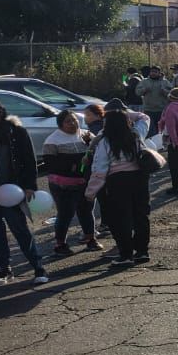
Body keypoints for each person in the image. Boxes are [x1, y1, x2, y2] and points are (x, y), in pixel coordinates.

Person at [85, 103, 152, 267]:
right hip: (139, 178)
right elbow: (144, 117)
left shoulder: (105, 141)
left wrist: (91, 191)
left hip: (117, 182)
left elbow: (99, 169)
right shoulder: (136, 135)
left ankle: (126, 253)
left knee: (120, 219)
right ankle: (142, 251)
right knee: (141, 216)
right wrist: (126, 113)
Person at [0, 98, 50, 284]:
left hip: (12, 190)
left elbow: (29, 160)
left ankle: (38, 267)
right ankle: (4, 269)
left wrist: (29, 186)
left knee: (20, 229)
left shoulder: (15, 131)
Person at [42, 110, 104, 257]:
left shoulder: (87, 135)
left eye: (74, 120)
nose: (73, 123)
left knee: (86, 210)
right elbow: (50, 164)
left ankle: (90, 239)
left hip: (85, 182)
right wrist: (74, 165)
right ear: (60, 124)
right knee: (65, 213)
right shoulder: (52, 140)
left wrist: (90, 147)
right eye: (68, 121)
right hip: (63, 184)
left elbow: (99, 153)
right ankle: (60, 244)